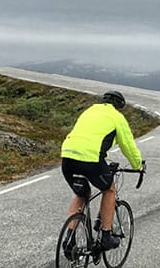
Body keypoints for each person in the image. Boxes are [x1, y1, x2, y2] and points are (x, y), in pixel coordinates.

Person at [60, 90, 143, 250]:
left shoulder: (89, 111)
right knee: (109, 189)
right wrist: (138, 166)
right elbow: (128, 146)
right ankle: (106, 236)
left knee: (81, 193)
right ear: (119, 106)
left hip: (67, 156)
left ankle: (69, 239)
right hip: (90, 159)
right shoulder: (117, 117)